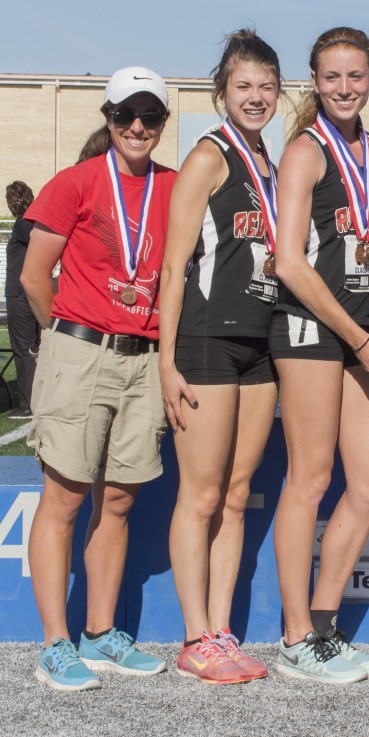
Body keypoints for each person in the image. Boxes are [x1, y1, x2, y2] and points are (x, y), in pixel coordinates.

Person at [21, 67, 175, 690]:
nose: (137, 127)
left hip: (145, 359)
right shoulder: (75, 182)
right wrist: (68, 335)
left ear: (163, 123)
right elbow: (36, 278)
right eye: (124, 115)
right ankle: (55, 643)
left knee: (118, 500)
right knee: (64, 499)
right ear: (108, 118)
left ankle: (100, 632)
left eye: (150, 116)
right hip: (81, 351)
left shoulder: (174, 185)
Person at [270, 26, 369, 685]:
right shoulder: (304, 151)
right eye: (331, 77)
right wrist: (357, 334)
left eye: (356, 76)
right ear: (315, 82)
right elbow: (289, 260)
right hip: (314, 329)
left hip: (362, 329)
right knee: (311, 479)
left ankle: (322, 627)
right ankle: (295, 636)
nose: (344, 88)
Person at [159, 29, 282, 685]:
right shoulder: (209, 157)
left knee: (237, 495)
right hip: (205, 339)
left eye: (266, 86)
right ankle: (192, 636)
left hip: (259, 344)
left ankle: (221, 629)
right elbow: (173, 265)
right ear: (221, 93)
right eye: (243, 86)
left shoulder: (271, 163)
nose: (255, 96)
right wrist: (165, 360)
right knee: (201, 494)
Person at [4, 181, 39, 418]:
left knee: (24, 349)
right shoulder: (33, 223)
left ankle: (28, 404)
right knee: (34, 348)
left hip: (19, 294)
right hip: (31, 293)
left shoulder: (23, 225)